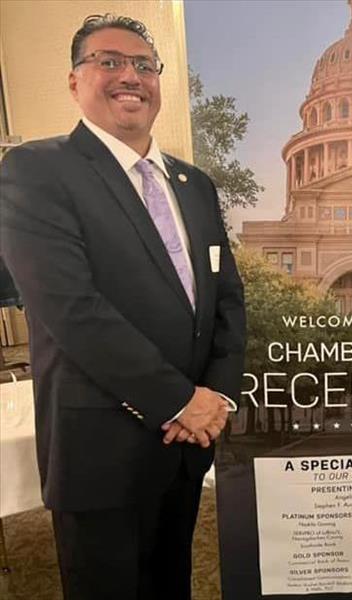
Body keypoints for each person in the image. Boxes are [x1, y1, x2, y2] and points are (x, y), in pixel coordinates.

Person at [0, 14, 245, 600]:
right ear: (74, 80)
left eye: (142, 65)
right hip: (100, 449)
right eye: (108, 61)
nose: (128, 76)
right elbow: (71, 310)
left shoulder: (195, 185)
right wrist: (181, 401)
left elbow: (227, 303)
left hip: (186, 446)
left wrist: (217, 397)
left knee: (172, 585)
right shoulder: (36, 171)